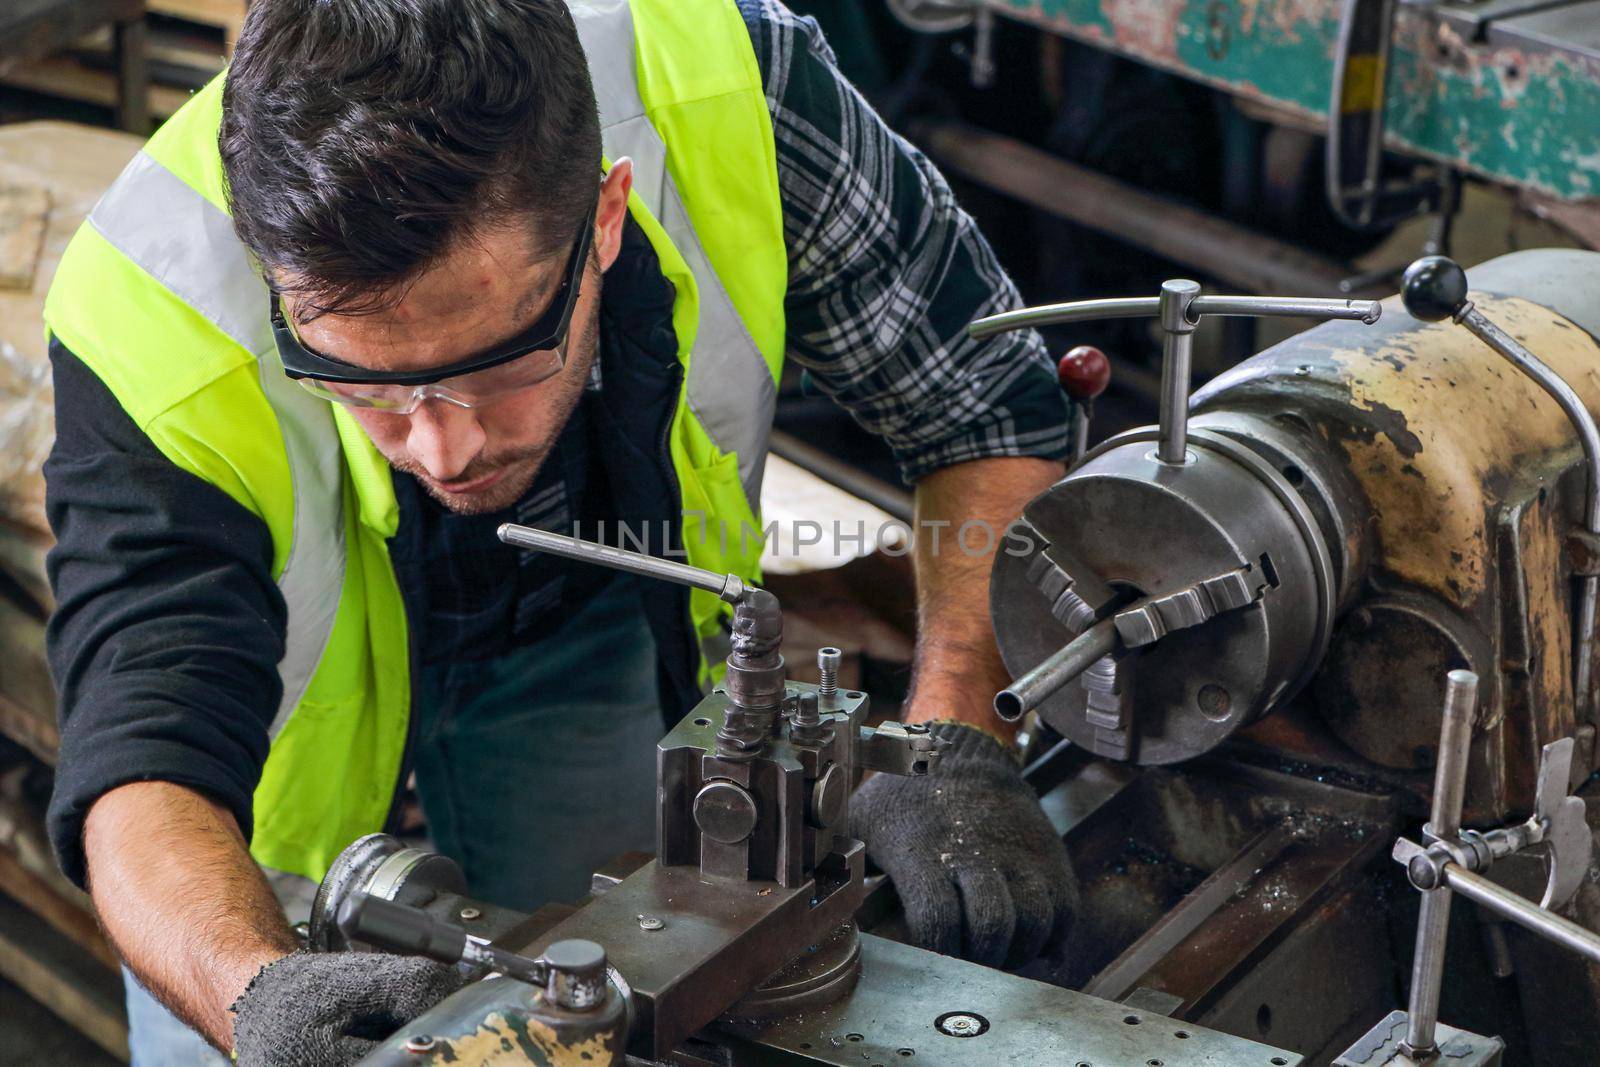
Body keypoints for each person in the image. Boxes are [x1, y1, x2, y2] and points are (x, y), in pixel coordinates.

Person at [41, 1, 1079, 1063]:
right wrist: (250, 992)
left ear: (605, 218)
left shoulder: (725, 82)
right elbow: (138, 757)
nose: (444, 450)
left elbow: (983, 407)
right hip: (276, 753)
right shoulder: (154, 311)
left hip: (574, 626)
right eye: (366, 386)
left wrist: (952, 735)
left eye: (500, 364)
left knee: (617, 1007)